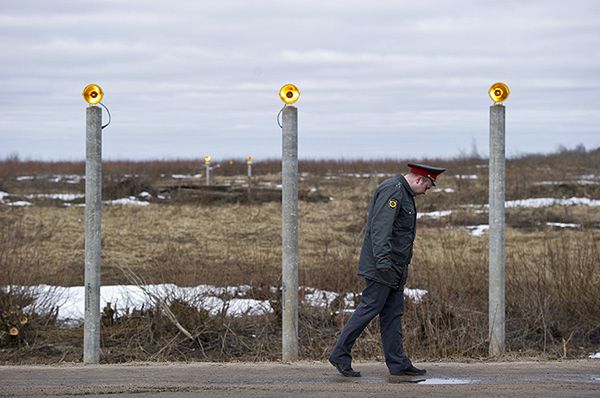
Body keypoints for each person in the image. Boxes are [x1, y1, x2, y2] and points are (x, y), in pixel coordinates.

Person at [329, 163, 446, 377]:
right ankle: (340, 354)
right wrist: (383, 262)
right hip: (383, 266)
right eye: (428, 186)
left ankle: (398, 363)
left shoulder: (404, 194)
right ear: (419, 179)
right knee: (369, 308)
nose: (427, 191)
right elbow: (380, 228)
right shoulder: (393, 190)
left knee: (392, 314)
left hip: (396, 266)